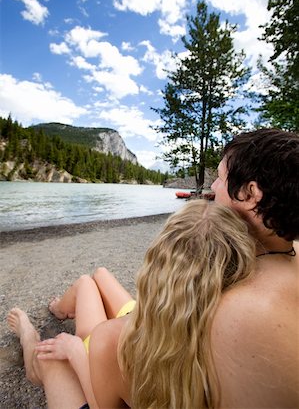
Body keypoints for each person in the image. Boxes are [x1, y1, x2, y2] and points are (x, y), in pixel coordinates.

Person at [8, 199, 256, 409]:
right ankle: (60, 309)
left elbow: (103, 406)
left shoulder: (115, 343)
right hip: (150, 319)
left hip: (114, 353)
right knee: (98, 275)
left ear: (157, 265)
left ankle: (28, 333)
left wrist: (74, 352)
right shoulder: (242, 336)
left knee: (47, 357)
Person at [210, 128, 299, 407]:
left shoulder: (245, 310)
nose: (212, 187)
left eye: (220, 178)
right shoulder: (290, 253)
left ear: (250, 193)